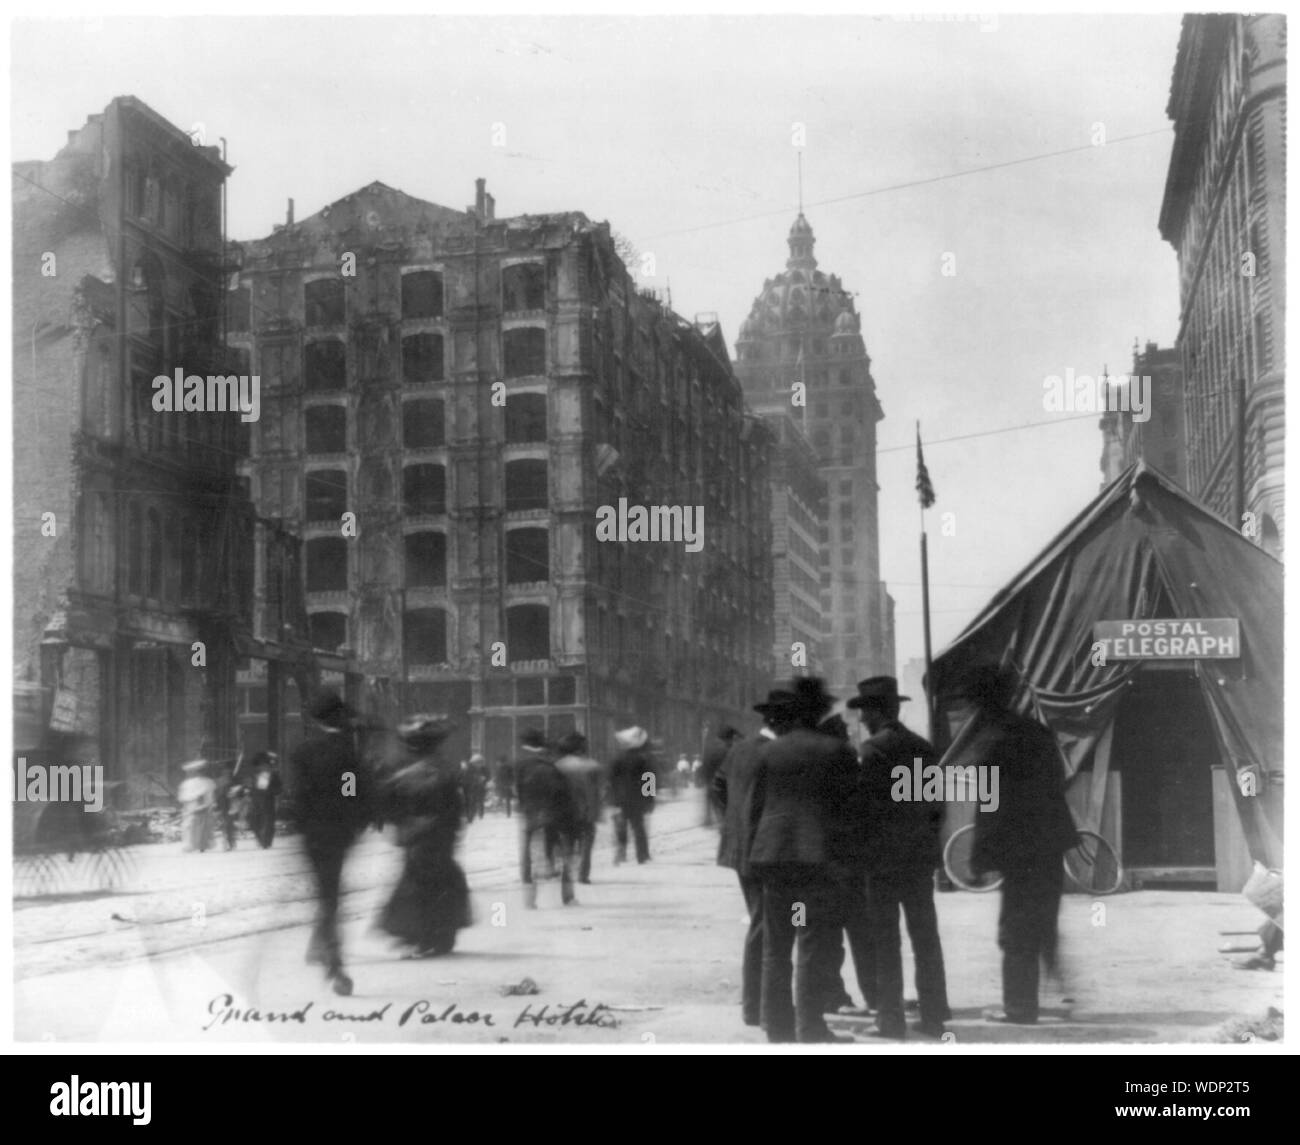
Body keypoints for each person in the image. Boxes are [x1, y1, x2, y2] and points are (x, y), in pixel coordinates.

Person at [960, 662, 1078, 1024]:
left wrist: (979, 861)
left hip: (1018, 850)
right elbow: (1058, 783)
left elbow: (990, 806)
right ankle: (1056, 992)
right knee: (1043, 920)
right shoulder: (1039, 732)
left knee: (1015, 930)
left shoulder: (992, 742)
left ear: (980, 702)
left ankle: (1020, 1008)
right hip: (1050, 843)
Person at [747, 679, 861, 1044]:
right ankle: (810, 1029)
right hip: (817, 863)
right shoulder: (836, 751)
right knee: (813, 944)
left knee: (776, 945)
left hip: (775, 862)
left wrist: (758, 855)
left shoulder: (770, 752)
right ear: (819, 712)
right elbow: (851, 812)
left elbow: (756, 809)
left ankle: (777, 1028)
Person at [850, 676, 951, 1039]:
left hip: (882, 861)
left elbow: (864, 810)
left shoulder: (872, 751)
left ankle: (890, 1022)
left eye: (864, 712)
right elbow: (936, 806)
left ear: (877, 712)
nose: (861, 719)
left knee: (885, 941)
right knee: (926, 936)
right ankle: (935, 1016)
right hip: (919, 856)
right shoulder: (922, 747)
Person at [288, 689, 374, 996]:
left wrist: (305, 828)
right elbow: (352, 794)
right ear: (338, 717)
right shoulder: (345, 754)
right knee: (331, 897)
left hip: (312, 837)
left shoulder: (301, 753)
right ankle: (334, 964)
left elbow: (298, 799)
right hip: (336, 835)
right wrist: (353, 825)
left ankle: (319, 948)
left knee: (325, 894)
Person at [378, 715, 472, 957]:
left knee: (417, 886)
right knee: (443, 883)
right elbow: (455, 807)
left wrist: (401, 826)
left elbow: (388, 805)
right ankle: (441, 937)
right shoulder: (445, 769)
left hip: (416, 836)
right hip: (440, 836)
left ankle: (420, 938)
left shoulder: (402, 773)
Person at [713, 710, 777, 1029]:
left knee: (762, 921)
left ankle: (757, 1006)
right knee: (770, 924)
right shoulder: (776, 753)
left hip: (744, 850)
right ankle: (762, 1008)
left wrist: (734, 823)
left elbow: (718, 787)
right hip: (766, 853)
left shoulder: (740, 750)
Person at [515, 729, 578, 907]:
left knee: (530, 853)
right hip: (555, 814)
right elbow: (566, 795)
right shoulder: (555, 768)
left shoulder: (522, 766)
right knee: (563, 852)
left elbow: (519, 792)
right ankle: (568, 895)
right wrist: (648, 796)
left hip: (531, 813)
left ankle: (530, 897)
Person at [554, 731, 603, 885]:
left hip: (565, 812)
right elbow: (598, 791)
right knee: (586, 844)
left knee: (567, 844)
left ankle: (567, 873)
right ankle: (583, 874)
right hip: (587, 812)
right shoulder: (593, 765)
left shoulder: (557, 766)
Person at [609, 726, 657, 864]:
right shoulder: (643, 759)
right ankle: (642, 855)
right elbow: (648, 779)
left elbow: (611, 780)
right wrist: (649, 800)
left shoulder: (617, 759)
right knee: (638, 827)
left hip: (620, 799)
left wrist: (613, 799)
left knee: (620, 826)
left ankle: (621, 854)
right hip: (637, 799)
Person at [236, 751, 283, 849]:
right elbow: (246, 787)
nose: (262, 766)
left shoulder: (271, 774)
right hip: (257, 802)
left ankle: (265, 841)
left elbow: (278, 789)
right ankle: (263, 840)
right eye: (261, 764)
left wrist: (271, 791)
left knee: (265, 821)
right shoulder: (254, 775)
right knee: (256, 821)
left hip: (266, 801)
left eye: (264, 763)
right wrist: (242, 792)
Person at [702, 726, 743, 827]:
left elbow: (705, 766)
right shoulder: (728, 751)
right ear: (730, 738)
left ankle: (709, 820)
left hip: (711, 783)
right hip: (724, 785)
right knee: (726, 813)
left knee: (717, 807)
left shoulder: (710, 749)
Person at [178, 760, 216, 853]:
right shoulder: (187, 783)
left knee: (201, 826)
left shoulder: (208, 782)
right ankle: (193, 845)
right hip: (192, 807)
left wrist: (207, 804)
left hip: (200, 807)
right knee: (190, 826)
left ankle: (200, 845)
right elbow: (182, 797)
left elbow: (210, 796)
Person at [462, 753, 490, 823]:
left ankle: (480, 814)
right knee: (471, 802)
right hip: (471, 788)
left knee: (480, 801)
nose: (479, 764)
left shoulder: (484, 769)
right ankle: (470, 817)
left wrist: (484, 779)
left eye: (480, 762)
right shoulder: (469, 769)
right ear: (473, 763)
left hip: (480, 788)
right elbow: (465, 778)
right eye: (477, 762)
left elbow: (488, 776)